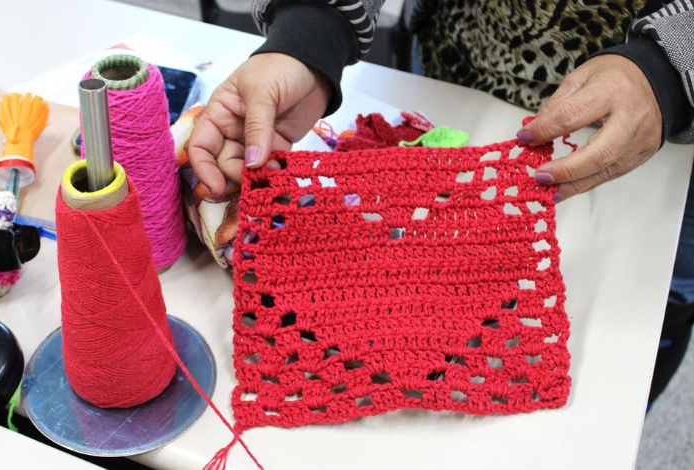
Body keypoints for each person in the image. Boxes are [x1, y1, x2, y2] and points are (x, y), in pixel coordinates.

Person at [188, 0, 694, 403]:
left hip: (663, 137)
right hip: (456, 55)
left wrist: (669, 68)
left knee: (639, 337)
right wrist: (310, 34)